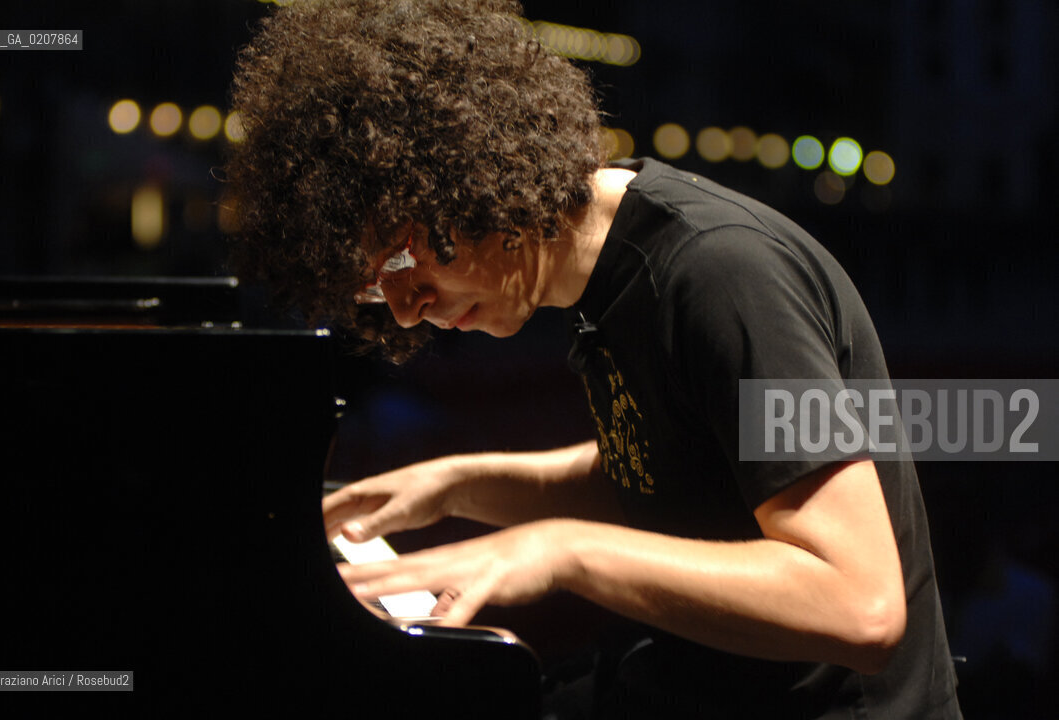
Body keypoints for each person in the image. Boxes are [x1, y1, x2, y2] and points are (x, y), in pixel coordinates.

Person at [226, 1, 963, 717]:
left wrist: (563, 551)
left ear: (470, 176)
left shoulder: (722, 277)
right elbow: (680, 469)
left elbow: (860, 606)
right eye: (373, 288)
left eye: (404, 260)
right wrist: (454, 485)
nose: (406, 308)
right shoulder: (604, 280)